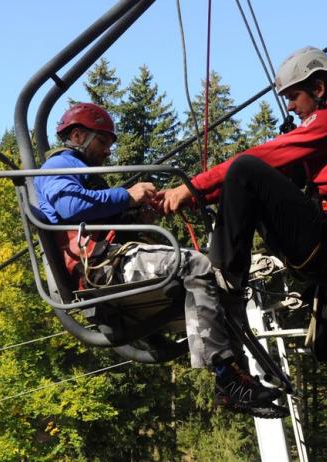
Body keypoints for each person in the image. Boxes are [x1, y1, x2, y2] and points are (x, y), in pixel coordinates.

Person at [34, 102, 282, 413]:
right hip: (99, 264)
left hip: (108, 257)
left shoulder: (82, 172)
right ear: (77, 134)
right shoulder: (60, 166)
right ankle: (226, 377)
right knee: (193, 264)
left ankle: (237, 375)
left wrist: (136, 212)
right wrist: (127, 195)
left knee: (218, 276)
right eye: (102, 142)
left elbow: (93, 213)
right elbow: (71, 207)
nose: (107, 153)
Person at [160, 47, 327, 358]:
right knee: (253, 177)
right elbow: (259, 176)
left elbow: (259, 160)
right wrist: (190, 196)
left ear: (318, 89)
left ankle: (225, 279)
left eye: (294, 97)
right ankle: (226, 274)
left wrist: (192, 188)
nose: (291, 107)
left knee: (247, 167)